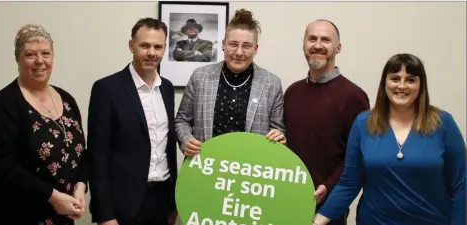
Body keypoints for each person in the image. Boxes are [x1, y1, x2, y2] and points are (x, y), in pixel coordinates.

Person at [313, 53, 467, 225]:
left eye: (410, 80)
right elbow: (349, 183)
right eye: (395, 78)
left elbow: (461, 186)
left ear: (420, 85)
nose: (401, 86)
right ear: (384, 82)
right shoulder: (364, 123)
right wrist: (317, 222)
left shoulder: (443, 123)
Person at [0, 24, 88, 225]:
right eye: (30, 55)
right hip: (20, 214)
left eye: (46, 53)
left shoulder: (67, 100)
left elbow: (80, 152)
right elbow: (1, 164)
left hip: (63, 216)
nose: (40, 61)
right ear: (18, 58)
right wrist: (53, 197)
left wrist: (80, 187)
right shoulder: (4, 104)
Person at [87, 17, 178, 225]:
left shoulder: (167, 89)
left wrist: (172, 204)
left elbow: (167, 148)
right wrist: (105, 215)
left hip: (162, 201)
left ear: (164, 50)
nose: (151, 53)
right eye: (144, 45)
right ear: (131, 46)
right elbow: (97, 156)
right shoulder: (106, 89)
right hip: (123, 206)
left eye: (158, 47)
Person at [283, 19, 370, 225]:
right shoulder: (292, 92)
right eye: (312, 39)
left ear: (338, 47)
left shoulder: (354, 97)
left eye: (326, 40)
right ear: (304, 45)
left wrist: (328, 186)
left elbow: (357, 155)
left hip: (329, 206)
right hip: (287, 199)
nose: (318, 45)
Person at [175, 9, 286, 157]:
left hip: (251, 172)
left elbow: (279, 131)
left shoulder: (272, 84)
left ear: (255, 49)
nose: (239, 52)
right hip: (204, 169)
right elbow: (182, 120)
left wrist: (279, 137)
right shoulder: (200, 77)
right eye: (233, 44)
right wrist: (186, 139)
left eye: (246, 46)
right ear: (223, 45)